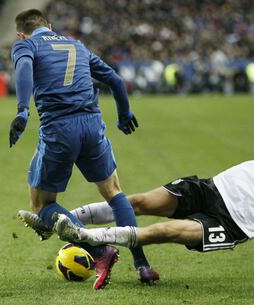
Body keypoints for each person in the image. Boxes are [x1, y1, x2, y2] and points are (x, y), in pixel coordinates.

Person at [54, 29, 254, 289]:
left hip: (233, 224)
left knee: (164, 231)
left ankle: (92, 239)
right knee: (139, 202)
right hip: (212, 188)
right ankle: (63, 219)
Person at [9, 9, 158, 289]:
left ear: (20, 34)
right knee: (114, 192)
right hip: (92, 124)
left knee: (42, 204)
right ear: (50, 26)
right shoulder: (76, 44)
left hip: (59, 129)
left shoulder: (25, 45)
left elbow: (25, 68)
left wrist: (22, 111)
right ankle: (143, 265)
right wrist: (124, 114)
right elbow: (114, 79)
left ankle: (101, 251)